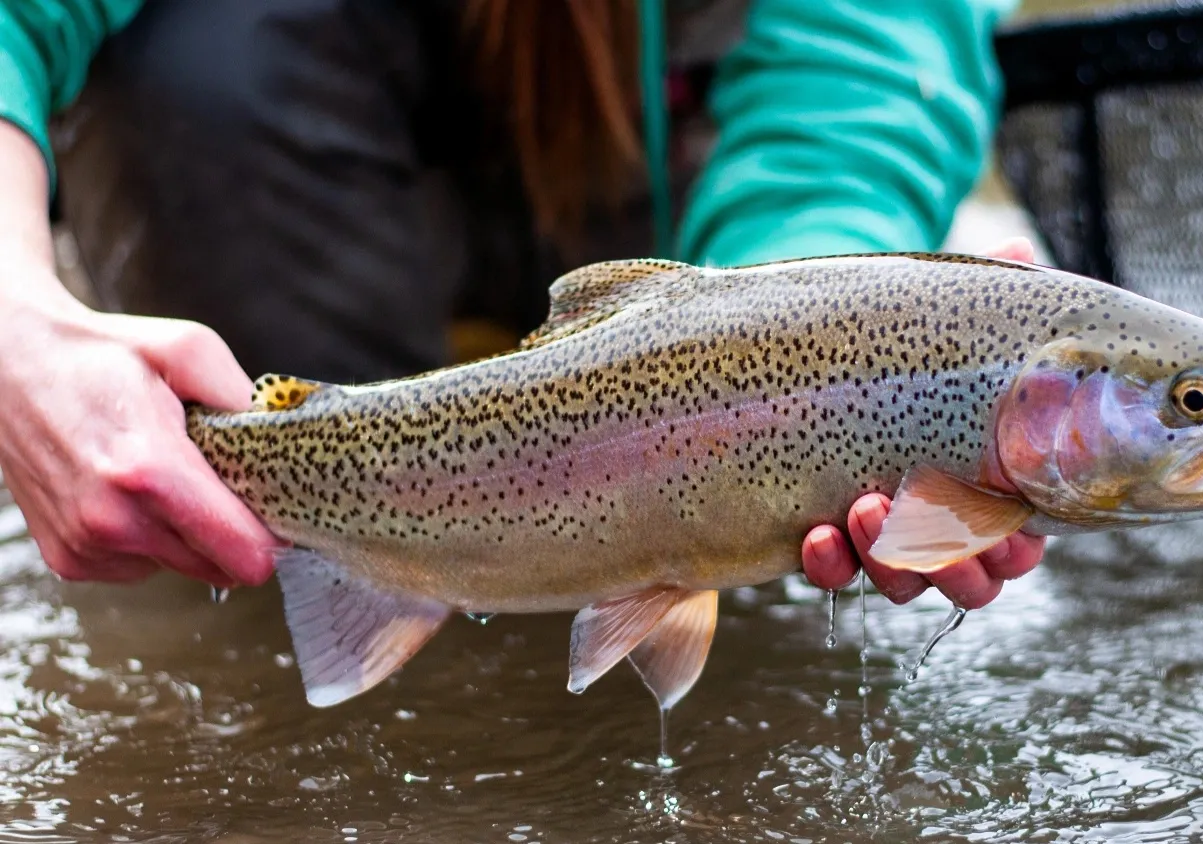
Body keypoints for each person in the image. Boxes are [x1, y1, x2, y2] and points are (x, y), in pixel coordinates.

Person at [0, 0, 1045, 610]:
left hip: (668, 236)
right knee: (201, 66)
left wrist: (829, 373)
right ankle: (313, 558)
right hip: (262, 181)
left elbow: (852, 84)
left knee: (754, 579)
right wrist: (18, 331)